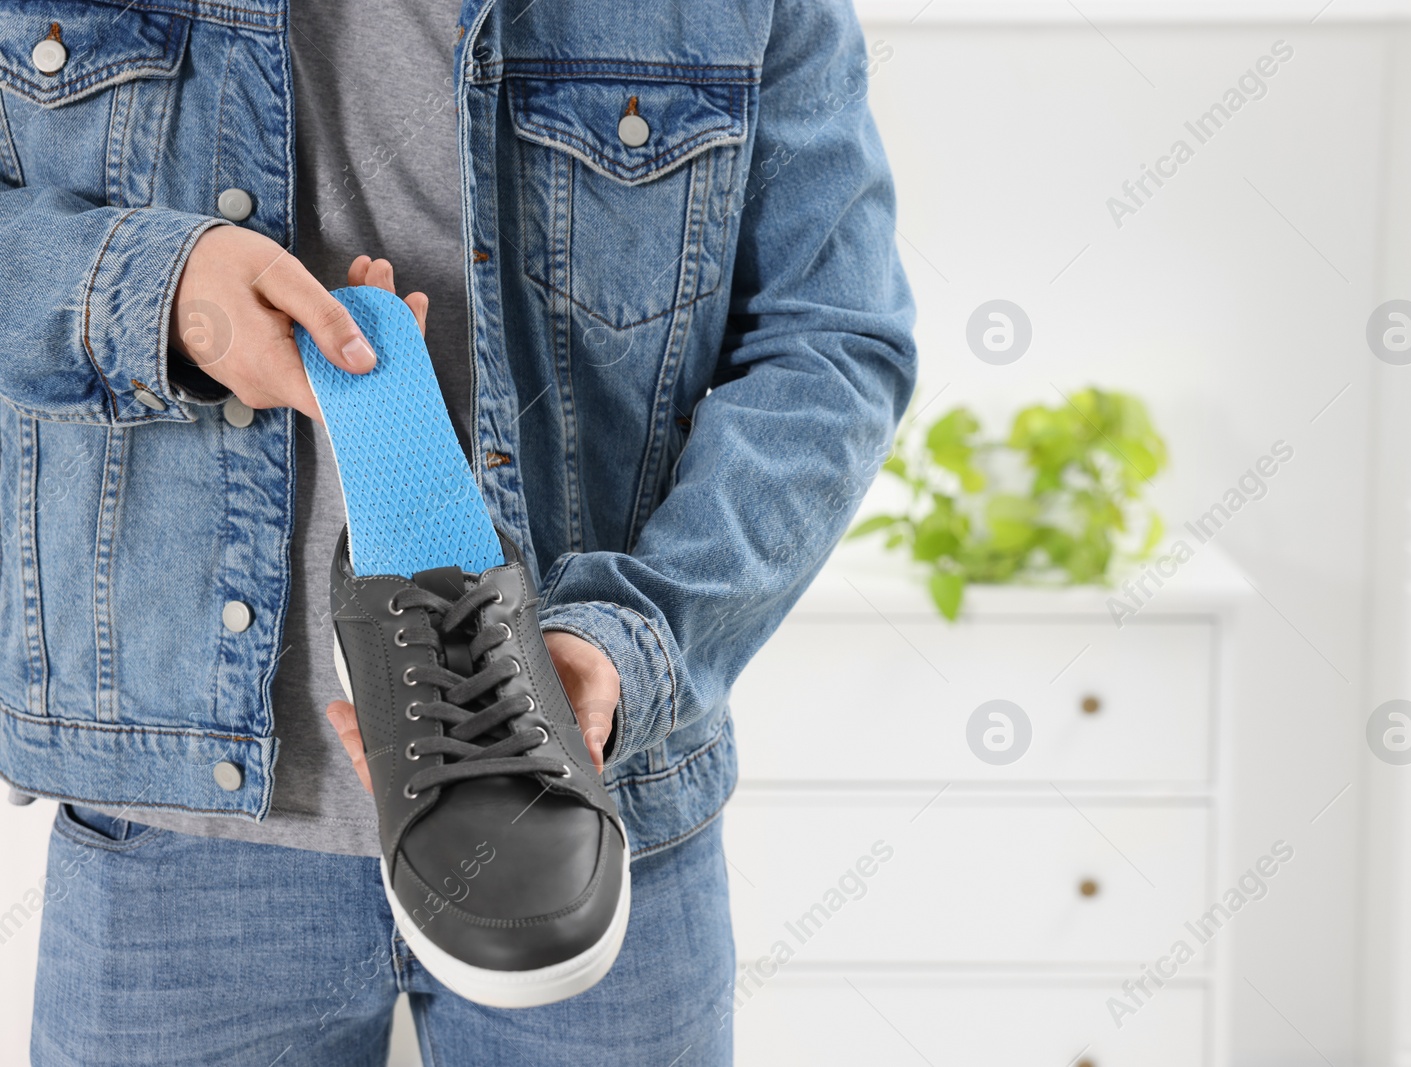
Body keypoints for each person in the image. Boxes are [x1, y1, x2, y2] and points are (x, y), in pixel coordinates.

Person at [0, 0, 914, 1063]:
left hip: (586, 792)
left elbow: (832, 343)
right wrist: (148, 291)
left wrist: (630, 638)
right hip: (182, 833)